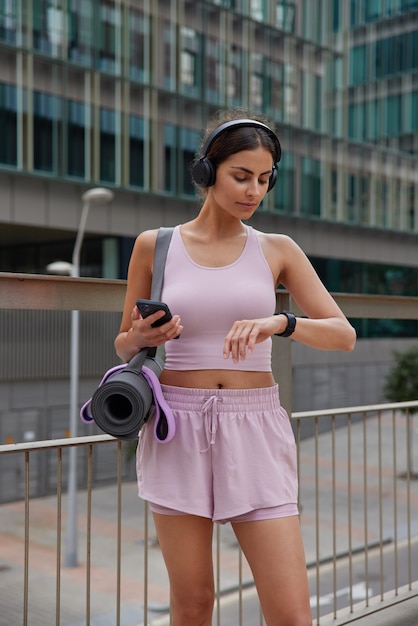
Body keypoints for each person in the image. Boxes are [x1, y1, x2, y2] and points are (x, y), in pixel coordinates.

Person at [114, 109, 356, 626]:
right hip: (175, 425)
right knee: (194, 603)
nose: (254, 191)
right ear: (207, 173)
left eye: (264, 179)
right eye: (241, 176)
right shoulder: (154, 246)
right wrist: (142, 336)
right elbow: (122, 343)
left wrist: (281, 323)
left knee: (292, 615)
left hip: (255, 425)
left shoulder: (277, 250)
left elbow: (344, 334)